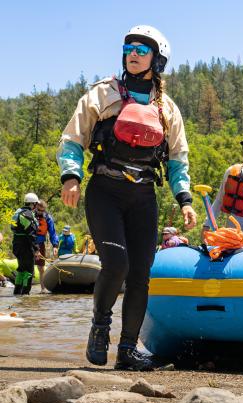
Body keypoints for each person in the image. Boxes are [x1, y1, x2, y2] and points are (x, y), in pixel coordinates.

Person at [56, 25, 197, 370]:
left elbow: (178, 158)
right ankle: (100, 328)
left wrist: (185, 199)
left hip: (143, 195)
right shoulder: (102, 94)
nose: (133, 53)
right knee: (116, 264)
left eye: (141, 49)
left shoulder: (168, 109)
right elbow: (73, 139)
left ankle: (128, 350)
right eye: (129, 47)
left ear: (157, 60)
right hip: (105, 189)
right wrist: (71, 177)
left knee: (141, 274)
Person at [10, 193, 42, 295]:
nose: (36, 206)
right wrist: (36, 249)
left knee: (21, 269)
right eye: (36, 204)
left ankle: (17, 292)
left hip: (16, 245)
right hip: (25, 246)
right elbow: (31, 235)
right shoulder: (27, 215)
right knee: (29, 271)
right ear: (33, 204)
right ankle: (25, 295)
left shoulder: (18, 212)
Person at [34, 200, 59, 292]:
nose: (41, 212)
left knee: (41, 268)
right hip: (30, 243)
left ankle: (43, 289)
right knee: (28, 267)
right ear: (36, 207)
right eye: (39, 210)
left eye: (43, 210)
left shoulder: (47, 217)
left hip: (40, 244)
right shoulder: (30, 215)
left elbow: (52, 233)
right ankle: (25, 290)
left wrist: (55, 245)